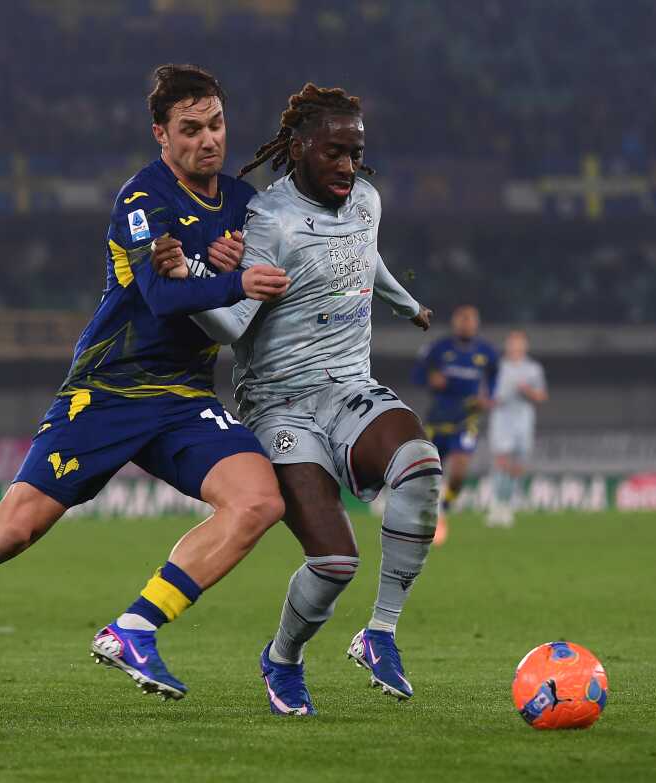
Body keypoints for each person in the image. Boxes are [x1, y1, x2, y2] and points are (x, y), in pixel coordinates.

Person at [0, 64, 293, 721]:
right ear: (161, 135)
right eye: (190, 129)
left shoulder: (241, 207)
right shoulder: (143, 201)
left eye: (216, 125)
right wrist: (234, 279)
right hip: (107, 391)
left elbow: (256, 288)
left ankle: (135, 627)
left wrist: (248, 270)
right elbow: (164, 297)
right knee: (12, 529)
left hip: (182, 397)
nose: (208, 140)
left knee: (258, 500)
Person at [156, 84, 438, 714]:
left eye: (355, 152)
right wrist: (189, 281)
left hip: (349, 388)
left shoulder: (367, 199)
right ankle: (282, 659)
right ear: (301, 147)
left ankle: (381, 633)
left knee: (419, 465)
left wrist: (407, 304)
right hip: (279, 405)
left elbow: (368, 258)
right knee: (336, 561)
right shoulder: (269, 221)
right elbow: (232, 328)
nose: (347, 165)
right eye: (335, 152)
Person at [413, 305, 498, 545]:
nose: (466, 324)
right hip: (438, 418)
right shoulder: (439, 348)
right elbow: (417, 374)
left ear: (477, 323)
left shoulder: (487, 352)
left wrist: (487, 395)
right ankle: (427, 512)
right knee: (428, 472)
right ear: (454, 322)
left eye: (470, 320)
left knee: (459, 470)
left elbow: (494, 374)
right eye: (462, 319)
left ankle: (446, 506)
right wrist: (430, 378)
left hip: (466, 419)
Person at [487, 330, 547, 527]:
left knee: (518, 464)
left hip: (523, 418)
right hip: (502, 417)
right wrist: (491, 400)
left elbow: (541, 396)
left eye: (519, 343)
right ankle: (497, 505)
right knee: (502, 460)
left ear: (524, 346)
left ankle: (507, 502)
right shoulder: (498, 367)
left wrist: (527, 390)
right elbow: (485, 392)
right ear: (507, 346)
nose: (515, 347)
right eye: (512, 343)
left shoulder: (533, 369)